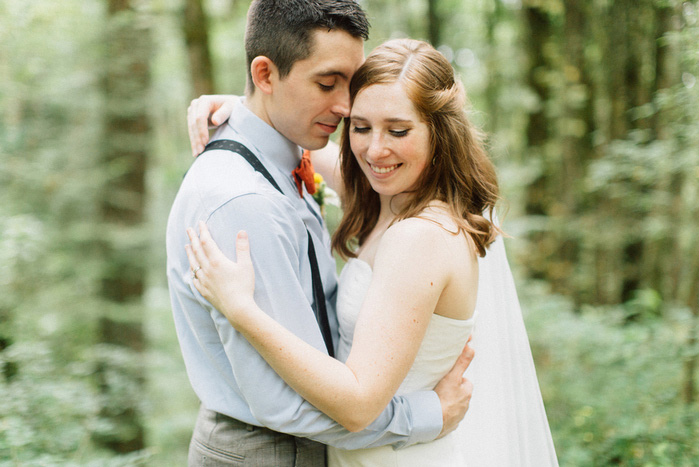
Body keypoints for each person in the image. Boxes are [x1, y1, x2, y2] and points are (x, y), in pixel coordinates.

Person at [185, 39, 559, 466]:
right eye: (361, 127)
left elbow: (359, 403)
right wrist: (245, 106)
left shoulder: (419, 237)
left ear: (440, 133)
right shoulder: (386, 197)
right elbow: (301, 141)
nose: (375, 150)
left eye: (398, 131)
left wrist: (241, 310)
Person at [166, 2, 475, 466]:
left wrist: (238, 106)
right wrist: (425, 413)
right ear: (266, 75)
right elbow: (284, 403)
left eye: (351, 84)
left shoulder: (295, 161)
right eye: (328, 84)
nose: (348, 107)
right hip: (269, 451)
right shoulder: (245, 201)